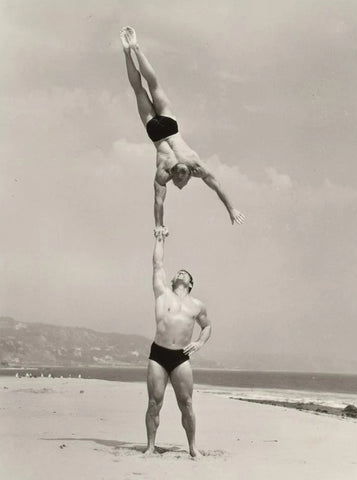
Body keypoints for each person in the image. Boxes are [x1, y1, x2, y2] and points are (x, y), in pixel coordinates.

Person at [120, 26, 246, 233]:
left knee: (146, 87)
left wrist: (159, 226)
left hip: (160, 131)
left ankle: (130, 50)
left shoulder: (164, 173)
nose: (180, 175)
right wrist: (231, 209)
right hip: (163, 130)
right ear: (190, 175)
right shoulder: (195, 165)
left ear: (175, 176)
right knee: (149, 86)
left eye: (178, 176)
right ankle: (133, 48)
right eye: (183, 176)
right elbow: (217, 187)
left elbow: (159, 203)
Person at [144, 226, 212, 458]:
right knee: (154, 402)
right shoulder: (162, 293)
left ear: (190, 284)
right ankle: (151, 446)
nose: (181, 273)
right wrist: (159, 239)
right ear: (173, 280)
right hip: (159, 355)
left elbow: (208, 326)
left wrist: (200, 343)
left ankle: (193, 447)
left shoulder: (197, 305)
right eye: (179, 272)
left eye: (186, 273)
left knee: (187, 403)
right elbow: (158, 264)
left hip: (181, 357)